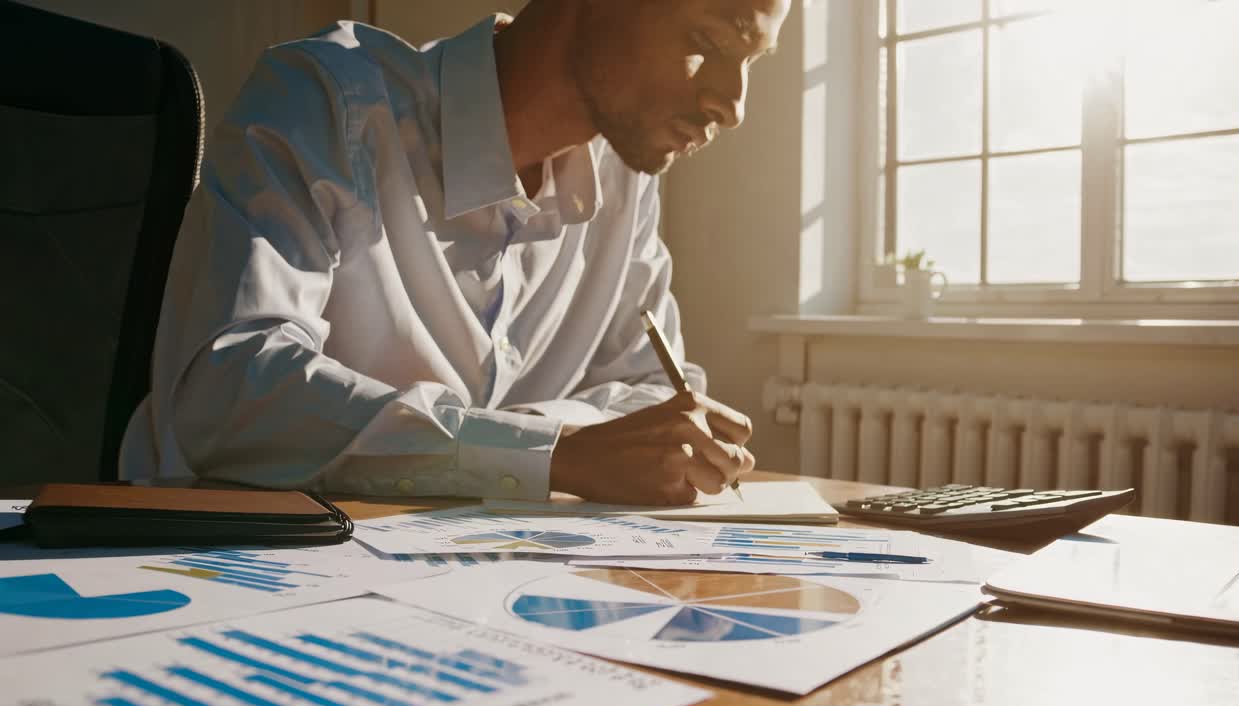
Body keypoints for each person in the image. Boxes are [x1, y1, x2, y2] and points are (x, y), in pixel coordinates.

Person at [120, 0, 791, 505]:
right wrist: (552, 454)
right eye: (708, 39)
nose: (732, 105)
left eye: (752, 63)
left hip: (466, 584)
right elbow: (230, 391)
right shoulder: (325, 99)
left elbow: (656, 397)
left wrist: (538, 447)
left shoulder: (623, 186)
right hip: (228, 571)